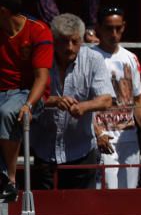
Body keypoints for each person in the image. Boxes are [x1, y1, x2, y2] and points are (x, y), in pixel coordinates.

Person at [32, 13, 112, 190]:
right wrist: (52, 101)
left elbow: (106, 99)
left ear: (82, 39)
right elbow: (25, 97)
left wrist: (85, 106)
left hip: (81, 150)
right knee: (44, 212)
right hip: (44, 150)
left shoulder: (93, 59)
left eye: (75, 41)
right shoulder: (39, 57)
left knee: (82, 211)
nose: (69, 47)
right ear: (53, 40)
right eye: (63, 41)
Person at [91, 6, 141, 189]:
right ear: (99, 28)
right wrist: (97, 132)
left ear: (124, 27)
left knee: (130, 190)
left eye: (118, 28)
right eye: (109, 28)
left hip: (128, 135)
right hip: (103, 136)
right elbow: (82, 100)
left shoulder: (131, 58)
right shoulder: (89, 57)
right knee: (107, 189)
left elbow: (138, 99)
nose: (114, 33)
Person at [0, 0, 52, 203]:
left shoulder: (38, 31)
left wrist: (29, 104)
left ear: (3, 12)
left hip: (28, 92)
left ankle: (8, 180)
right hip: (2, 91)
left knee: (7, 112)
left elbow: (41, 79)